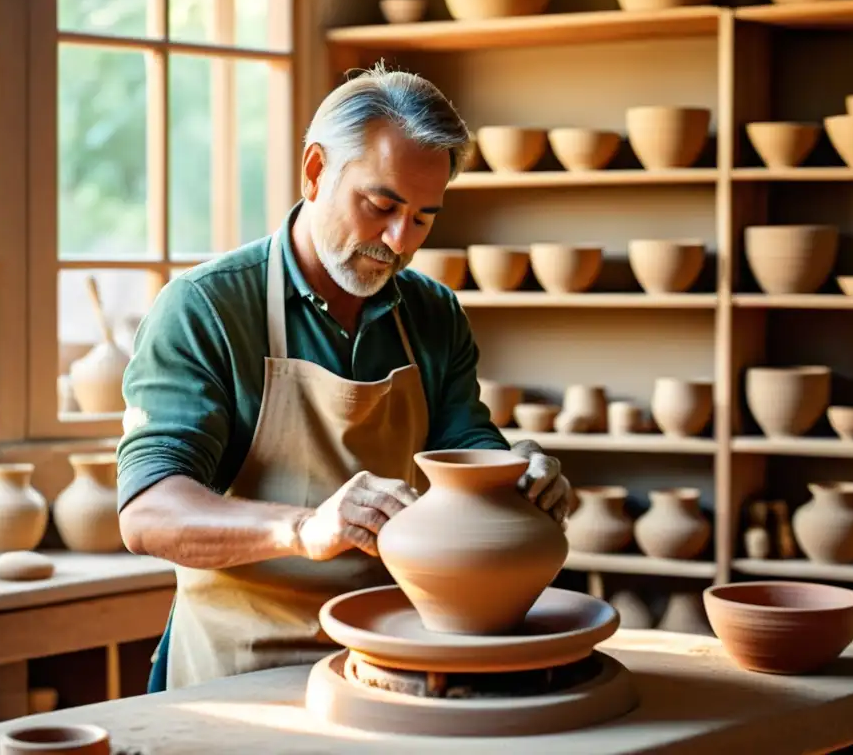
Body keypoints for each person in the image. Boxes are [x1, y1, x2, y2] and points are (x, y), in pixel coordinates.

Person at [116, 61, 573, 693]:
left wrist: (516, 476)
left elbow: (468, 448)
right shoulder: (207, 308)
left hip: (397, 656)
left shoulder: (432, 314)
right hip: (244, 666)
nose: (398, 239)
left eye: (422, 216)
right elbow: (147, 514)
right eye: (380, 204)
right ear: (314, 170)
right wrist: (304, 528)